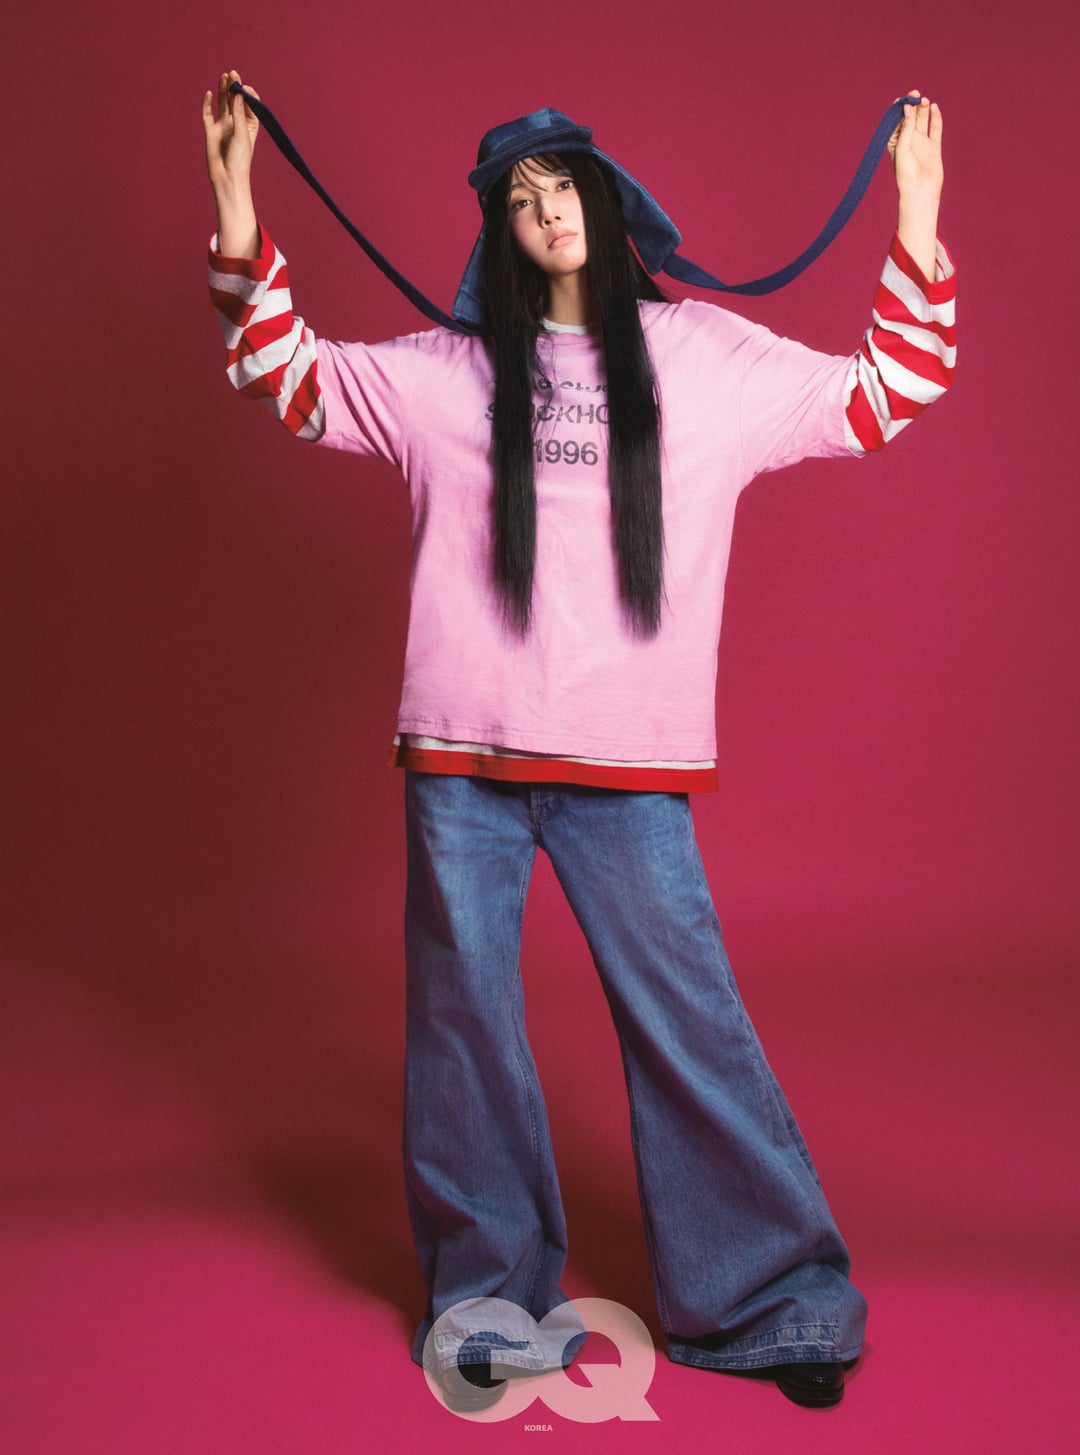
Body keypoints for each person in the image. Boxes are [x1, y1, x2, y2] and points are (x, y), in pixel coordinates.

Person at [202, 71, 952, 1410]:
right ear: (500, 230)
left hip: (627, 769)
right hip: (462, 764)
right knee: (465, 1035)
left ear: (611, 204)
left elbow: (887, 392)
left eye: (566, 186)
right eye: (521, 198)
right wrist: (238, 204)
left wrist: (918, 222)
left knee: (689, 1025)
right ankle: (489, 1301)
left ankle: (770, 1302)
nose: (548, 209)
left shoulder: (707, 359)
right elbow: (285, 373)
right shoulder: (447, 375)